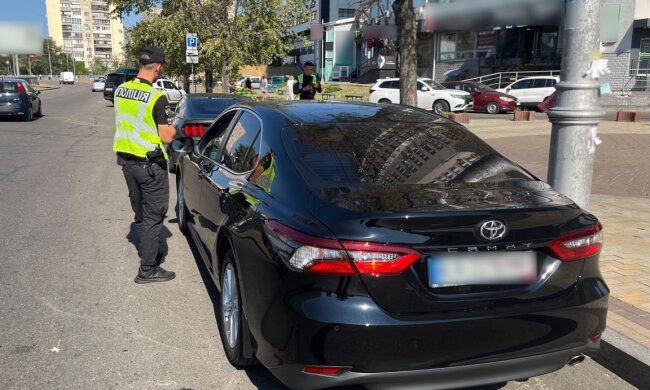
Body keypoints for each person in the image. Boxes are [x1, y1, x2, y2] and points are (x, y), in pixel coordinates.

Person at [113, 46, 177, 284]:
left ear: (140, 64)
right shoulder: (156, 97)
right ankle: (147, 269)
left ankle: (149, 251)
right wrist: (176, 125)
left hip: (127, 163)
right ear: (158, 68)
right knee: (154, 215)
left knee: (141, 213)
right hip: (150, 166)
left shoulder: (121, 90)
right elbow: (167, 136)